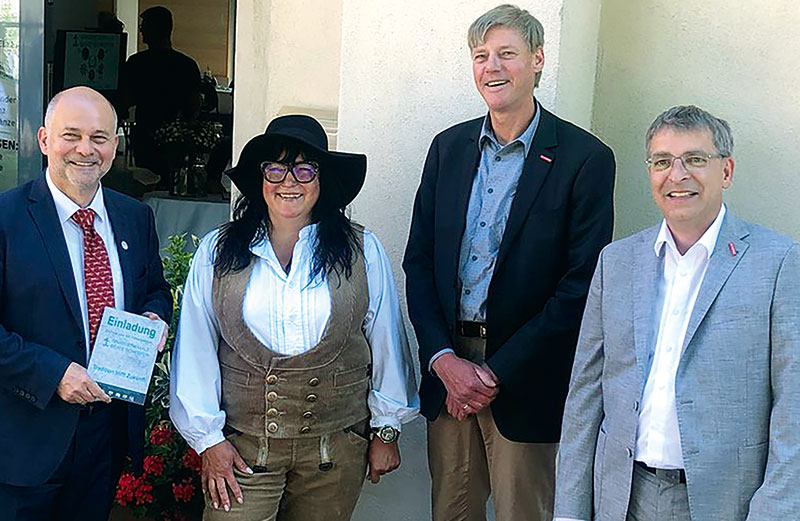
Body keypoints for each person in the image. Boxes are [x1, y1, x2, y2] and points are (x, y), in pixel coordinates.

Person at [403, 4, 615, 520]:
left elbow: (580, 286)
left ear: (538, 59)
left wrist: (494, 373)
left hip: (525, 377)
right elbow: (419, 263)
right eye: (481, 56)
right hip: (449, 368)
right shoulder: (447, 149)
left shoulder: (584, 159)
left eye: (506, 54)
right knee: (451, 512)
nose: (491, 67)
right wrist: (443, 361)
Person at [554, 105, 800, 521]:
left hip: (725, 504)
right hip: (621, 497)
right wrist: (569, 511)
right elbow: (585, 394)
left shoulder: (777, 263)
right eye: (662, 161)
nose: (677, 174)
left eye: (695, 160)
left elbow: (793, 405)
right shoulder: (617, 262)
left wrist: (774, 512)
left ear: (726, 171)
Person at [170, 114, 419, 520]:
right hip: (243, 451)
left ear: (322, 181)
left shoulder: (362, 250)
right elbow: (195, 347)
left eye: (305, 169)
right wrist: (208, 440)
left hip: (334, 450)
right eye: (276, 167)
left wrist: (387, 428)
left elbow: (387, 341)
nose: (290, 181)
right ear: (260, 177)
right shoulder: (218, 251)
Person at [0, 86, 171, 520]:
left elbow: (154, 288)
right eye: (70, 135)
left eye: (99, 137)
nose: (85, 149)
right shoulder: (6, 218)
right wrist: (53, 373)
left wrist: (155, 318)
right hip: (26, 438)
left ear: (115, 145)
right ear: (43, 140)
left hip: (106, 433)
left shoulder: (135, 215)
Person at [121, 6, 201, 181]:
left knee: (146, 183)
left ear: (156, 29)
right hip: (177, 137)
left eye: (145, 27)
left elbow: (126, 98)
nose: (141, 31)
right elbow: (195, 105)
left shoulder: (137, 63)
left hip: (147, 134)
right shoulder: (186, 64)